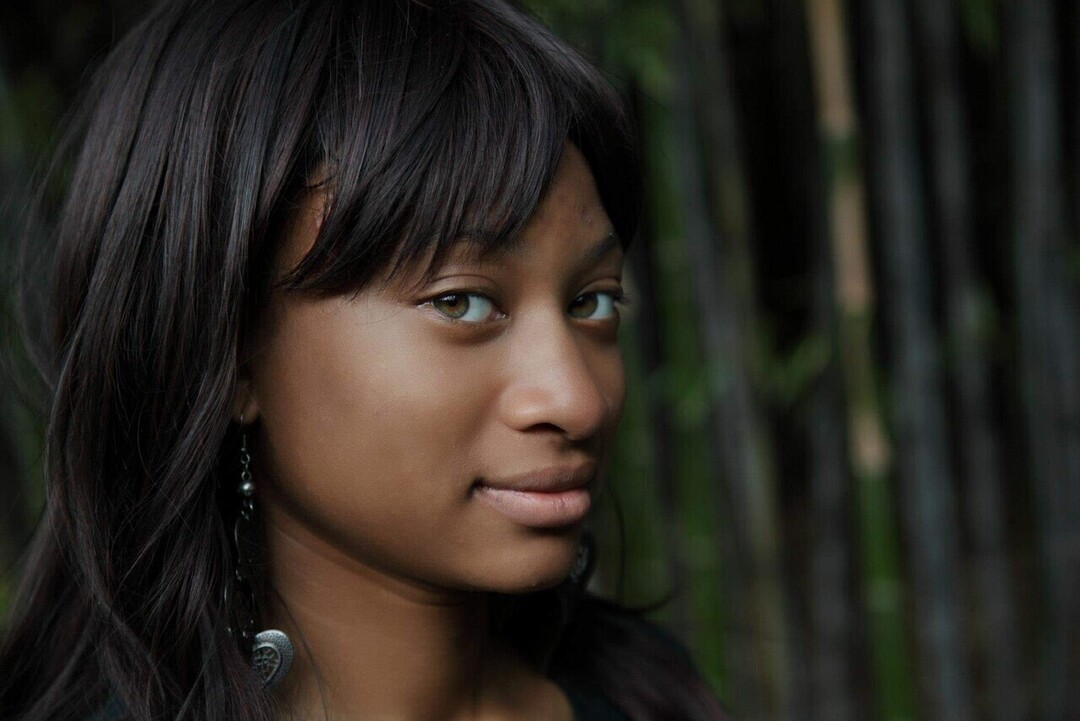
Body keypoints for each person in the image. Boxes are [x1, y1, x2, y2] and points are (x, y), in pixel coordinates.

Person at [0, 1, 728, 719]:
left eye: (592, 302)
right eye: (461, 303)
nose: (578, 401)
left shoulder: (651, 698)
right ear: (231, 357)